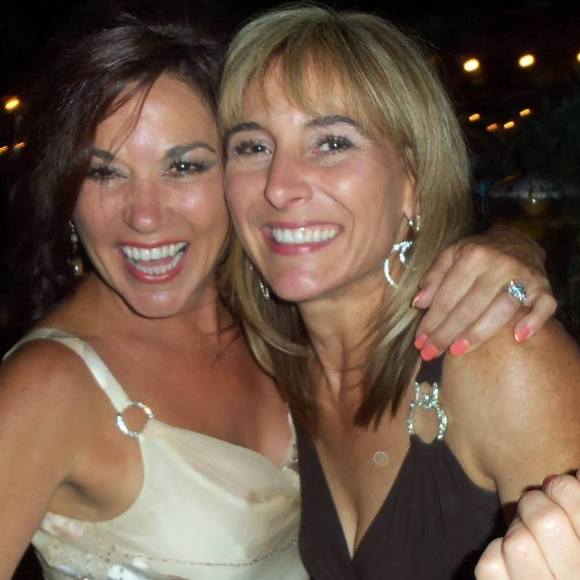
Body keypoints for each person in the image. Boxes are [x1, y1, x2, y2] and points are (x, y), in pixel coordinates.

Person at [0, 9, 558, 580]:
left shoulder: (278, 333)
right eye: (103, 173)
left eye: (184, 165)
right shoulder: (45, 385)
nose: (144, 215)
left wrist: (517, 245)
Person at [219, 5, 580, 579]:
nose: (279, 187)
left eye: (331, 142)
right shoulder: (262, 365)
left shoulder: (505, 358)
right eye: (252, 147)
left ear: (411, 181)